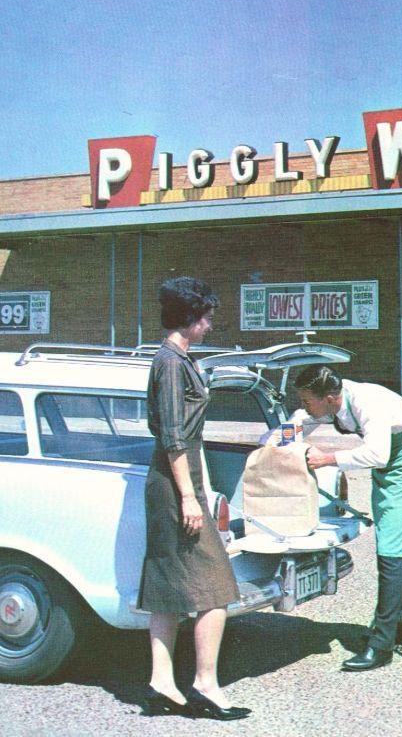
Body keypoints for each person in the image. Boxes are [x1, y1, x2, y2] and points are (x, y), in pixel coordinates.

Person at [137, 277, 250, 720]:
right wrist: (188, 496)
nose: (209, 323)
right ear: (188, 317)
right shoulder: (169, 362)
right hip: (174, 482)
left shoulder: (182, 359)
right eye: (205, 316)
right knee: (216, 586)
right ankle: (204, 683)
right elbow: (172, 435)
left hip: (179, 478)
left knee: (167, 585)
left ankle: (162, 682)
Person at [291, 365, 402, 672]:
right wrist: (279, 439)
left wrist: (327, 458)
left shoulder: (366, 403)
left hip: (401, 463)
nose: (305, 406)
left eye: (307, 400)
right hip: (386, 468)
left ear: (328, 398)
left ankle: (381, 646)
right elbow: (302, 420)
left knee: (392, 550)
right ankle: (401, 628)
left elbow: (377, 454)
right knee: (396, 545)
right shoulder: (334, 400)